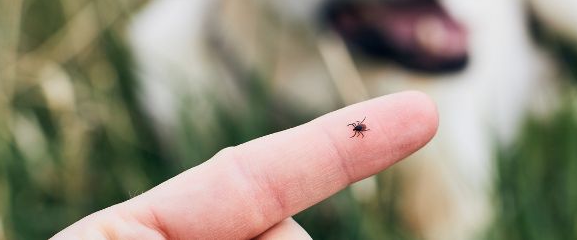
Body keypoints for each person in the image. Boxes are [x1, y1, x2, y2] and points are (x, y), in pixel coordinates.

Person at [51, 91, 438, 239]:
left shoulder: (358, 127)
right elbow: (360, 128)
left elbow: (360, 129)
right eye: (359, 127)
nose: (358, 128)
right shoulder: (357, 127)